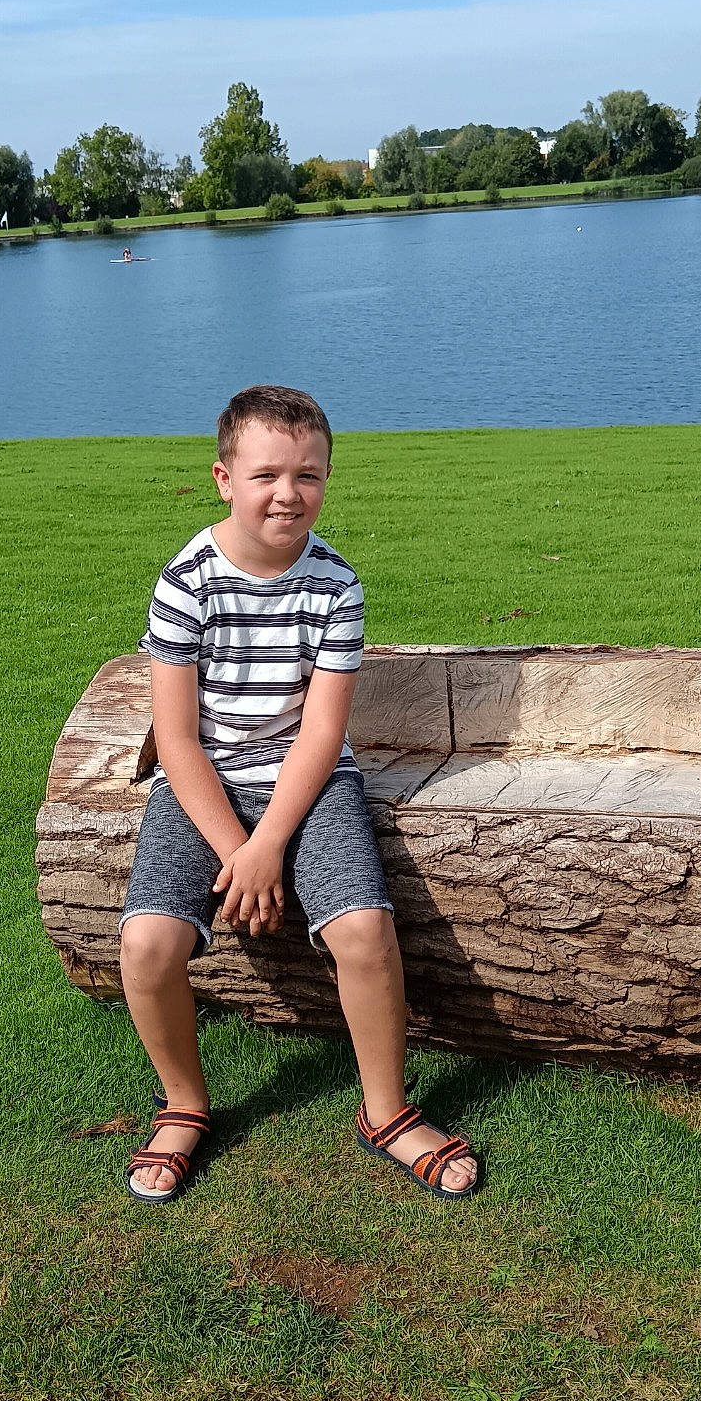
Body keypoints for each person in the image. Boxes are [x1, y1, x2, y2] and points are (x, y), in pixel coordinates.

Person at [116, 383, 481, 1204]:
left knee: (363, 929)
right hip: (202, 784)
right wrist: (235, 852)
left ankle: (384, 1111)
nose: (289, 493)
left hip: (308, 785)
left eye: (309, 475)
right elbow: (175, 740)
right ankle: (183, 1105)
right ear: (223, 478)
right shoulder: (185, 583)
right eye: (267, 474)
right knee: (146, 946)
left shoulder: (336, 585)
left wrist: (269, 844)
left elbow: (321, 735)